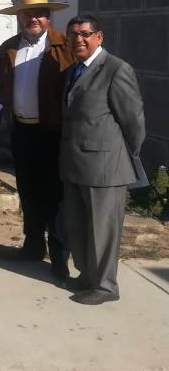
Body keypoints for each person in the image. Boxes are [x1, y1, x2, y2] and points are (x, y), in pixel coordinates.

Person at [60, 15, 145, 305]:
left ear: (99, 37)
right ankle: (88, 277)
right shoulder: (73, 70)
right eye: (73, 34)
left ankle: (106, 286)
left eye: (85, 33)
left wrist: (121, 155)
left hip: (105, 167)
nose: (78, 39)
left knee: (102, 231)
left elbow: (133, 121)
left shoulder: (116, 69)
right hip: (74, 163)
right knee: (78, 226)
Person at [0, 0, 74, 282]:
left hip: (53, 132)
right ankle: (33, 245)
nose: (33, 18)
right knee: (28, 190)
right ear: (19, 18)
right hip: (21, 131)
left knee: (55, 196)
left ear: (48, 17)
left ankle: (59, 256)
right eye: (27, 14)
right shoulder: (8, 49)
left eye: (39, 13)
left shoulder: (65, 46)